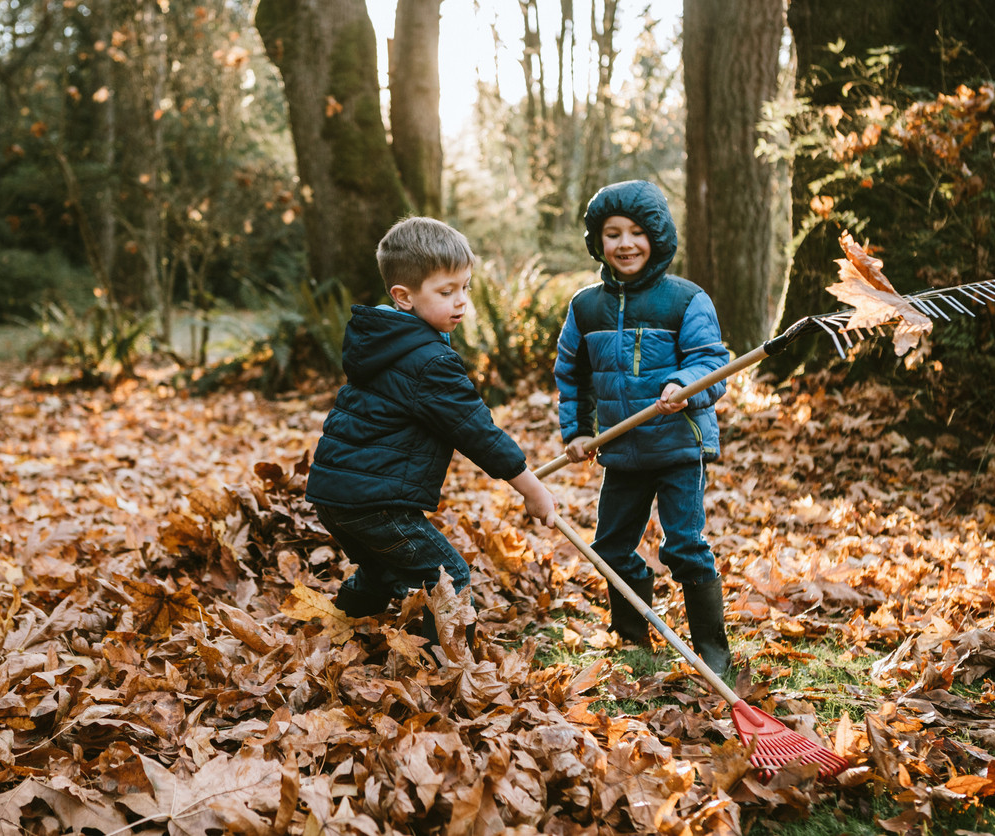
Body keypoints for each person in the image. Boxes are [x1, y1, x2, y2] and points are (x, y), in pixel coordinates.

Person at [305, 216, 557, 650]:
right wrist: (531, 488)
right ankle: (449, 673)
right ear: (403, 296)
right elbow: (476, 431)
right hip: (374, 504)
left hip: (337, 496)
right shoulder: (427, 361)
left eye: (465, 288)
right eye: (446, 292)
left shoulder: (384, 341)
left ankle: (336, 629)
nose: (461, 302)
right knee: (449, 578)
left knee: (383, 571)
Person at [553, 180, 733, 675]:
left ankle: (714, 653)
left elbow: (711, 365)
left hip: (678, 447)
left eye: (636, 232)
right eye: (612, 234)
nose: (625, 243)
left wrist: (684, 386)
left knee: (685, 547)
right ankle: (633, 639)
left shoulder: (685, 299)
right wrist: (576, 432)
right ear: (598, 242)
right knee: (609, 548)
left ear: (657, 237)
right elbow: (572, 374)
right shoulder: (586, 307)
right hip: (621, 451)